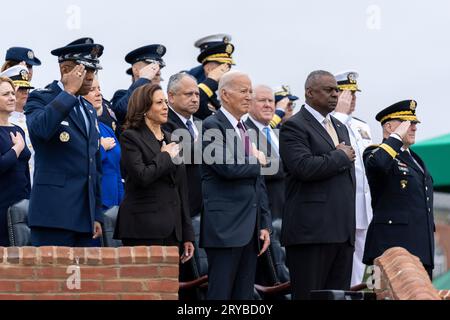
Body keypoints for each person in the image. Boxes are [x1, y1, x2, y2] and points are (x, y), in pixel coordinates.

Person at [279, 70, 356, 300]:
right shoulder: (294, 126)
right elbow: (303, 167)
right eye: (329, 90)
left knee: (338, 296)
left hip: (342, 232)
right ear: (309, 93)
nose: (335, 94)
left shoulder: (340, 127)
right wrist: (340, 157)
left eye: (336, 90)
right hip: (311, 233)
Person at [24, 37, 103, 247]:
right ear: (67, 69)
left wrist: (97, 214)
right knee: (53, 279)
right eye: (87, 71)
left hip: (85, 219)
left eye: (94, 71)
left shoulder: (87, 109)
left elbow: (94, 163)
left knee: (88, 279)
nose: (91, 77)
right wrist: (68, 92)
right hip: (54, 216)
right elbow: (40, 130)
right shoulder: (41, 98)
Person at [201, 71, 272, 300]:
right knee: (220, 295)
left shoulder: (245, 129)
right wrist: (257, 160)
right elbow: (227, 167)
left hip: (250, 229)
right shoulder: (212, 125)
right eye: (244, 91)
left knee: (244, 297)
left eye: (250, 91)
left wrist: (264, 223)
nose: (249, 96)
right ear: (225, 94)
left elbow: (258, 183)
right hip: (225, 229)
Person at [113, 83, 195, 265]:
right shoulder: (130, 137)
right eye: (159, 103)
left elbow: (180, 187)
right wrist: (165, 155)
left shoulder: (171, 137)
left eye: (166, 102)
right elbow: (142, 176)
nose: (166, 107)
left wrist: (187, 234)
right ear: (144, 108)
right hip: (143, 227)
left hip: (173, 230)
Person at [363, 100, 435, 279]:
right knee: (383, 294)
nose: (413, 128)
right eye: (407, 123)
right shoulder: (375, 153)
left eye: (415, 123)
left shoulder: (416, 159)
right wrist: (395, 138)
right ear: (388, 126)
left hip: (420, 251)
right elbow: (378, 164)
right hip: (388, 250)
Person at [333, 70, 374, 287]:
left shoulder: (361, 126)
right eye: (348, 93)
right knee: (341, 263)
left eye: (354, 94)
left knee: (359, 263)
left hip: (363, 205)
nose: (353, 98)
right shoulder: (328, 122)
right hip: (341, 205)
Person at [163, 72, 202, 217]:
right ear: (171, 97)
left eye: (197, 94)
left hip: (207, 208)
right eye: (188, 94)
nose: (194, 99)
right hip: (180, 207)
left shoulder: (202, 124)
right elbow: (179, 154)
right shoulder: (163, 123)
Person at [245, 85, 285, 221]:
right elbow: (259, 169)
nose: (268, 105)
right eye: (262, 101)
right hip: (265, 214)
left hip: (289, 211)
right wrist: (294, 163)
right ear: (249, 104)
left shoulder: (279, 133)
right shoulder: (243, 133)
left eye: (271, 101)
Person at [83, 77, 124, 210]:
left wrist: (122, 202)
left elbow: (116, 169)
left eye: (99, 89)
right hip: (94, 203)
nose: (98, 93)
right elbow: (81, 163)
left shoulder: (106, 129)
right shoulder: (80, 128)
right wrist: (100, 148)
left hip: (115, 201)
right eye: (92, 89)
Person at [0, 77, 31, 246]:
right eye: (6, 94)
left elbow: (25, 170)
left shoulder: (18, 130)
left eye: (13, 93)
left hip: (21, 204)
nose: (12, 97)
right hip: (2, 205)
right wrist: (16, 149)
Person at [110, 44, 166, 124]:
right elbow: (124, 111)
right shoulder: (121, 95)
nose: (158, 72)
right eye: (152, 67)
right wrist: (144, 79)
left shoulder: (163, 101)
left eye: (159, 68)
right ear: (135, 70)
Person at [0, 65, 35, 184]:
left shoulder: (25, 123)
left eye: (12, 93)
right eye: (20, 89)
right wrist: (17, 148)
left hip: (27, 191)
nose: (25, 92)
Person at [187, 34, 234, 120]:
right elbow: (192, 103)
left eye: (229, 67)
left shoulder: (224, 90)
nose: (227, 71)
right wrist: (211, 81)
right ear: (208, 69)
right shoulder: (187, 82)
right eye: (223, 68)